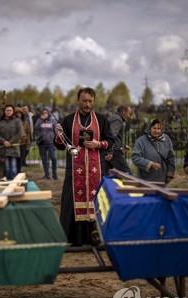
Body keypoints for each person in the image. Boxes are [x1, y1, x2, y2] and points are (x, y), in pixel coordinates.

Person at [54, 87, 115, 246]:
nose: (87, 104)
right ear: (78, 101)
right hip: (74, 170)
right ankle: (74, 238)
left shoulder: (102, 120)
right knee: (70, 202)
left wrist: (98, 143)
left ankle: (97, 238)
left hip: (96, 169)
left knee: (97, 201)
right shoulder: (67, 120)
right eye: (84, 100)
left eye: (90, 101)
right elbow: (61, 145)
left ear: (93, 101)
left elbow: (111, 141)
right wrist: (58, 135)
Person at [131, 118, 175, 184]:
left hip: (161, 179)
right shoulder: (141, 141)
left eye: (158, 129)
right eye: (154, 128)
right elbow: (135, 157)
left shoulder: (167, 139)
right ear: (149, 128)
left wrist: (170, 173)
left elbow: (171, 157)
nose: (156, 131)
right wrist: (150, 164)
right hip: (145, 180)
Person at [0, 105, 23, 180]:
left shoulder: (17, 121)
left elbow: (20, 133)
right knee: (7, 167)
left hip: (13, 147)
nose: (8, 112)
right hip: (4, 147)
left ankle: (14, 182)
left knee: (14, 166)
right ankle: (8, 181)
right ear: (4, 111)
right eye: (7, 110)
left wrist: (10, 142)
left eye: (10, 110)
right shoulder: (0, 122)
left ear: (13, 111)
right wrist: (4, 141)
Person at [105, 105, 132, 173]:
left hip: (111, 150)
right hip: (114, 153)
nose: (129, 116)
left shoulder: (114, 117)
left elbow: (115, 137)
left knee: (107, 174)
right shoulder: (118, 119)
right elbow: (112, 136)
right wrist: (110, 152)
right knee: (127, 174)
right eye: (128, 113)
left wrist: (123, 145)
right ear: (123, 112)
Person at [34, 108, 58, 180]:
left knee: (53, 158)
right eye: (43, 113)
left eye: (46, 113)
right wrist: (41, 120)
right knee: (44, 159)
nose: (44, 114)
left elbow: (56, 129)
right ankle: (47, 175)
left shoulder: (52, 120)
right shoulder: (39, 120)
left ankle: (54, 174)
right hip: (41, 142)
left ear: (48, 113)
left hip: (51, 142)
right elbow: (36, 128)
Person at [15, 107, 31, 173]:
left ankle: (19, 170)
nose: (19, 115)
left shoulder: (25, 122)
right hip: (15, 142)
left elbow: (28, 132)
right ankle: (15, 171)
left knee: (22, 157)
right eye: (17, 113)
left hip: (23, 142)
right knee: (16, 157)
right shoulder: (13, 122)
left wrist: (28, 141)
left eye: (20, 113)